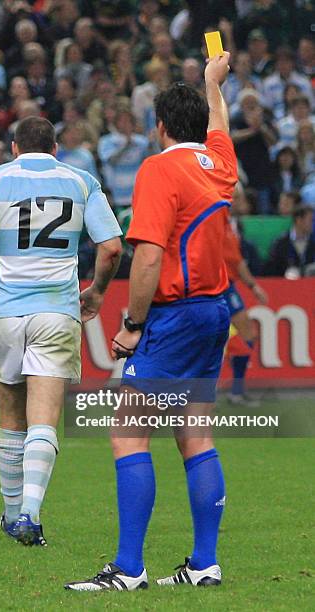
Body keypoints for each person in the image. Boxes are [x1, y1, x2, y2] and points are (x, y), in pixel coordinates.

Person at [66, 53, 236, 591]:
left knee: (127, 434)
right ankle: (204, 562)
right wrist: (214, 84)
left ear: (159, 126)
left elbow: (147, 257)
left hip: (174, 314)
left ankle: (129, 569)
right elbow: (220, 128)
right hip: (214, 310)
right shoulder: (218, 165)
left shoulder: (159, 168)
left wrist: (132, 323)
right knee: (195, 432)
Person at [0, 116, 122, 546]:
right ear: (56, 149)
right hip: (57, 312)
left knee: (10, 420)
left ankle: (12, 511)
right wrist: (95, 291)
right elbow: (111, 247)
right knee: (44, 420)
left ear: (15, 147)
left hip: (5, 312)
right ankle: (30, 516)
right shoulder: (81, 181)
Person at [223, 213, 268, 406]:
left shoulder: (225, 224)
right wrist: (254, 286)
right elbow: (237, 261)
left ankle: (236, 390)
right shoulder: (222, 226)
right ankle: (236, 391)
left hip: (222, 285)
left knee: (236, 338)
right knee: (246, 335)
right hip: (222, 286)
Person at [265, 206, 315, 277]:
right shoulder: (280, 244)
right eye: (311, 220)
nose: (313, 224)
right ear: (299, 220)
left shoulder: (313, 241)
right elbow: (272, 269)